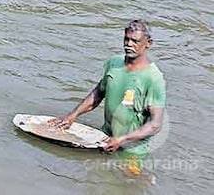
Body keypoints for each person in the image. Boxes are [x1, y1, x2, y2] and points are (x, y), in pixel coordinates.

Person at [50, 20, 166, 157]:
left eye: (135, 41)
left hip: (133, 148)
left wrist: (122, 139)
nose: (129, 44)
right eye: (126, 39)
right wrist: (72, 116)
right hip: (105, 138)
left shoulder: (153, 78)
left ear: (148, 43)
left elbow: (155, 124)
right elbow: (99, 93)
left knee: (130, 178)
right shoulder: (114, 63)